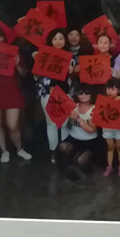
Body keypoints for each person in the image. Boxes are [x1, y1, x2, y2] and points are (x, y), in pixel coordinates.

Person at [36, 29, 73, 157]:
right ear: (50, 41)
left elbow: (71, 78)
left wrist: (72, 70)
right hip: (48, 94)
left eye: (61, 38)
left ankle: (65, 152)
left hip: (65, 93)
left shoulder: (70, 57)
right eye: (55, 38)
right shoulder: (44, 55)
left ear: (65, 40)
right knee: (51, 124)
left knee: (65, 124)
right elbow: (37, 74)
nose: (58, 41)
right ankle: (54, 152)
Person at [0, 27, 31, 163]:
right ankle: (4, 151)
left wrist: (17, 64)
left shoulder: (13, 51)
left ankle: (19, 149)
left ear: (2, 38)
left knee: (13, 126)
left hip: (11, 91)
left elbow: (24, 74)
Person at [57, 84, 101, 180]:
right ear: (77, 95)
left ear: (91, 94)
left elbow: (91, 130)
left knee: (81, 160)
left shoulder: (95, 109)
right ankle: (67, 170)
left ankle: (88, 175)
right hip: (73, 139)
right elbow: (64, 124)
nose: (84, 95)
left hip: (90, 141)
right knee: (62, 147)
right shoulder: (73, 107)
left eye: (87, 93)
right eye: (81, 93)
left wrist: (78, 119)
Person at [102, 78, 120, 177]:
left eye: (113, 89)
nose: (110, 91)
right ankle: (109, 166)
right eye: (108, 89)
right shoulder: (103, 101)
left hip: (119, 128)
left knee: (119, 147)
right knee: (110, 147)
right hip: (107, 128)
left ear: (119, 90)